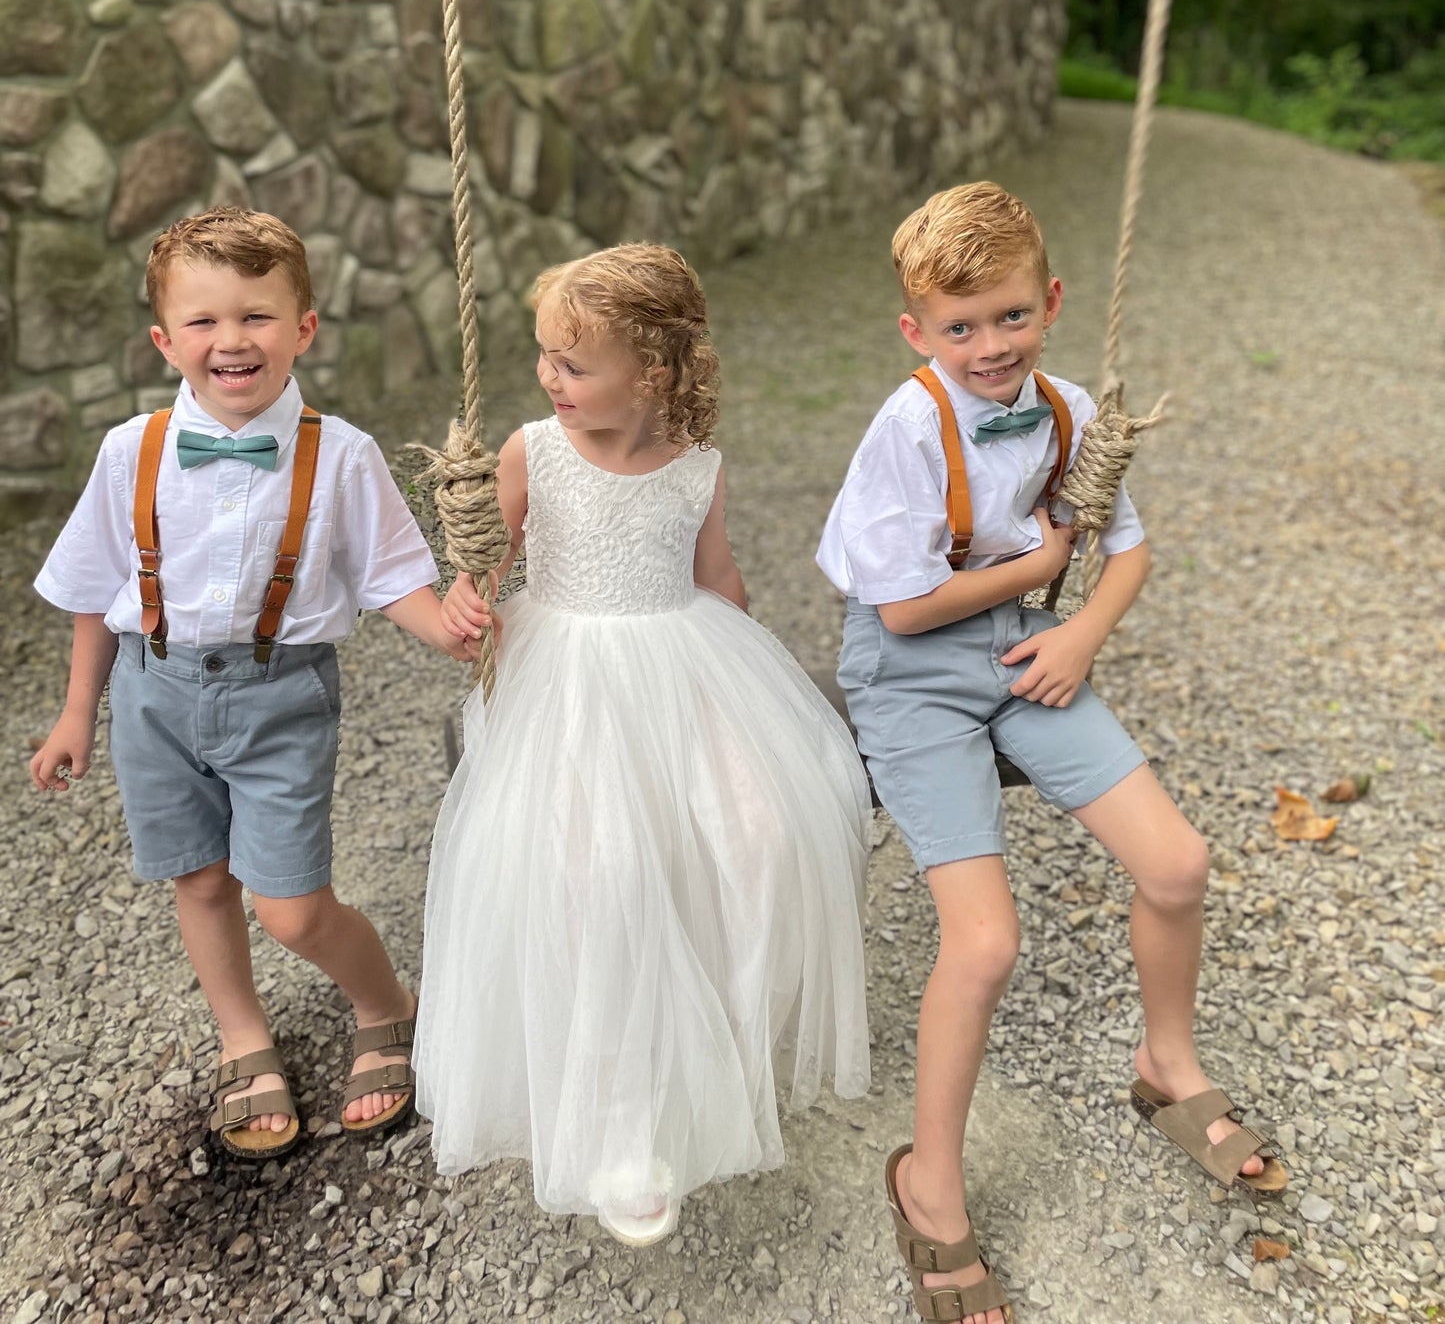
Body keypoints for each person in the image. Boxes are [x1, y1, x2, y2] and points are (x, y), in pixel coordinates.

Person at [819, 182, 1287, 1324]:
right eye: (960, 326)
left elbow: (1120, 550)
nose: (989, 346)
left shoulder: (1070, 409)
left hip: (1033, 652)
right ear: (916, 331)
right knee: (983, 943)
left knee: (1175, 863)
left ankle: (1166, 1060)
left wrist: (1074, 627)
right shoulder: (904, 428)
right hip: (915, 674)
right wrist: (1037, 573)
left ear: (1051, 302)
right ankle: (927, 1181)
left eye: (1010, 317)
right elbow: (904, 614)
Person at [417, 243, 872, 1246]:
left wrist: (758, 696)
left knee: (761, 833)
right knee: (604, 869)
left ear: (653, 373)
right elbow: (481, 576)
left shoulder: (696, 469)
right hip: (568, 684)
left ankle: (721, 1041)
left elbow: (718, 580)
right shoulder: (531, 452)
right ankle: (617, 1115)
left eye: (573, 364)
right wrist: (465, 600)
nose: (548, 377)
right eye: (543, 355)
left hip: (683, 657)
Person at [29, 207, 480, 1162]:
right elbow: (89, 588)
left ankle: (382, 1001)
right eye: (203, 321)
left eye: (258, 316)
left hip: (279, 695)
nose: (231, 340)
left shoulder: (342, 453)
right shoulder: (131, 450)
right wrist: (77, 711)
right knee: (197, 877)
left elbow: (393, 571)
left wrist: (446, 625)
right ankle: (243, 1034)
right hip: (151, 694)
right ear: (164, 341)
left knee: (291, 905)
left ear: (304, 327)